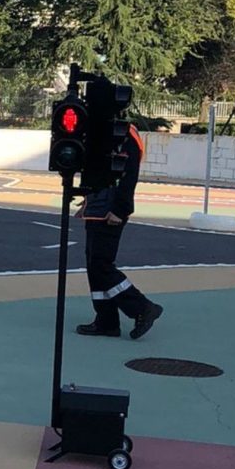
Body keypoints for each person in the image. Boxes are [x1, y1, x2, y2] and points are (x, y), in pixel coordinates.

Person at [75, 124, 163, 340]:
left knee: (101, 265)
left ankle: (142, 307)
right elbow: (101, 172)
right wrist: (88, 200)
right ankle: (106, 321)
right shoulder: (106, 129)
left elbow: (128, 175)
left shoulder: (124, 134)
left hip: (110, 211)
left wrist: (120, 209)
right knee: (94, 266)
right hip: (97, 209)